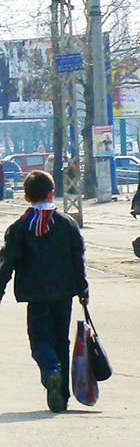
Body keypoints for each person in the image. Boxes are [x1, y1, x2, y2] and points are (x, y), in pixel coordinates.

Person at [0, 170, 89, 412]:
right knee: (61, 340)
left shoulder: (20, 227)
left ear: (27, 197)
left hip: (36, 296)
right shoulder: (67, 224)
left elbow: (6, 263)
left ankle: (51, 371)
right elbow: (77, 258)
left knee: (40, 340)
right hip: (64, 293)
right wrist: (83, 288)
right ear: (52, 193)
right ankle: (61, 396)